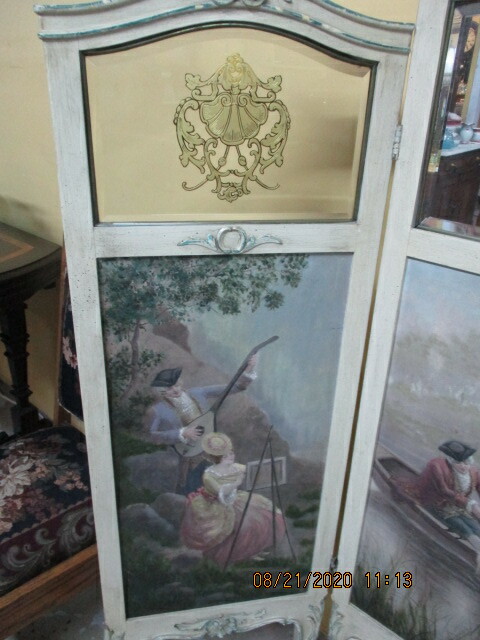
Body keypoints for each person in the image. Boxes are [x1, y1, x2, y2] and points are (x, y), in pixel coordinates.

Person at [144, 356, 257, 493]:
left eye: (177, 385)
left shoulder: (197, 392)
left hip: (213, 451)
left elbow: (235, 387)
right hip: (188, 458)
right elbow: (151, 436)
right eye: (169, 388)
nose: (175, 390)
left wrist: (248, 370)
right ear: (161, 391)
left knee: (221, 488)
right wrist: (181, 433)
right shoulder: (157, 410)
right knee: (193, 491)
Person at [180, 432, 286, 567]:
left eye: (231, 453)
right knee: (241, 525)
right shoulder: (209, 475)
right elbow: (221, 492)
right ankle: (232, 556)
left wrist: (267, 469)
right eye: (226, 456)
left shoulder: (236, 467)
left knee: (266, 515)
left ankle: (252, 552)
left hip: (236, 499)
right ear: (218, 458)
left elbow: (253, 471)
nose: (231, 456)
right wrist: (236, 483)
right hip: (215, 504)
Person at [415, 440, 480, 571]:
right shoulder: (436, 466)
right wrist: (470, 503)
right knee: (464, 528)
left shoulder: (473, 473)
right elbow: (444, 491)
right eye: (459, 463)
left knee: (477, 528)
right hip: (438, 504)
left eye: (466, 463)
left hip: (460, 509)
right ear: (451, 461)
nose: (463, 466)